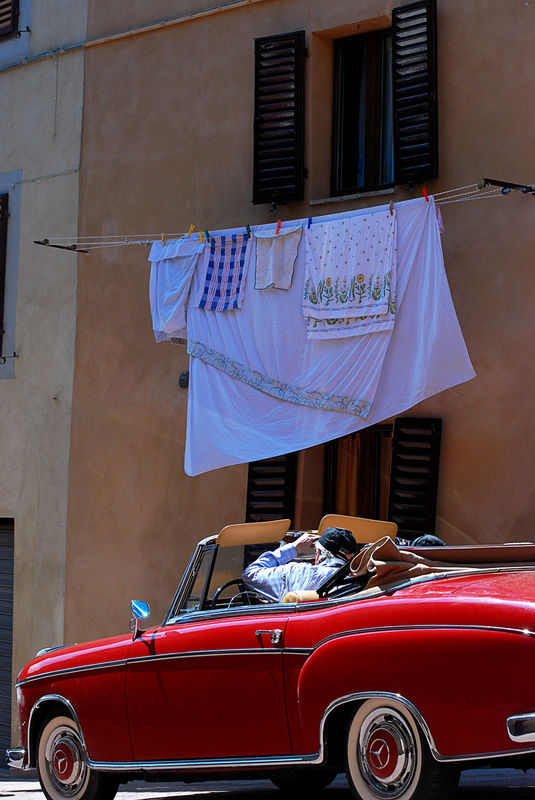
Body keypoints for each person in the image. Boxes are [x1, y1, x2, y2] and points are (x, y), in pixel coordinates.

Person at [242, 527, 359, 602]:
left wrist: (294, 548)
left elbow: (250, 573)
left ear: (318, 552)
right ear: (350, 556)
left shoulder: (296, 571)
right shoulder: (358, 581)